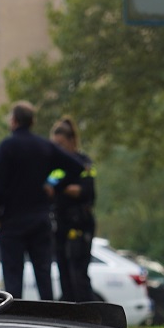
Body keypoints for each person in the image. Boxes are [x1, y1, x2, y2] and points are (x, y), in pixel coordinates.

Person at [0, 100, 70, 301]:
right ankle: (50, 323)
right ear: (32, 122)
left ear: (14, 121)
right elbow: (72, 165)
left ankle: (17, 324)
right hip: (40, 219)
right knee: (43, 275)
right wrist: (52, 182)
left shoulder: (7, 146)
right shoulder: (45, 146)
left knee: (13, 276)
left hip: (12, 221)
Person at [47, 117, 97, 303]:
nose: (57, 149)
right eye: (54, 145)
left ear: (71, 141)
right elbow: (48, 188)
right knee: (64, 276)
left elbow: (82, 190)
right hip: (60, 225)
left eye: (60, 144)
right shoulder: (54, 166)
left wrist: (59, 187)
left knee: (79, 276)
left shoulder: (84, 162)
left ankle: (89, 321)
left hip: (80, 225)